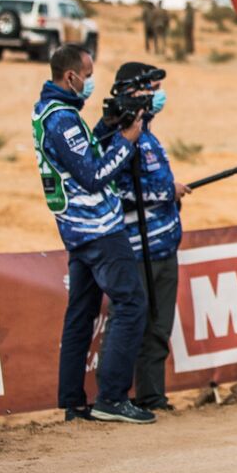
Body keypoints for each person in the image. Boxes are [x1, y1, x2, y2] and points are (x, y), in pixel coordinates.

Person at [31, 43, 154, 424]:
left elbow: (83, 156)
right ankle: (112, 399)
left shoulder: (53, 111)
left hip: (77, 232)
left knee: (81, 314)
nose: (90, 82)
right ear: (70, 77)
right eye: (86, 75)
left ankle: (73, 402)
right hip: (98, 230)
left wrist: (107, 128)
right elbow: (93, 175)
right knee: (132, 304)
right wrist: (127, 141)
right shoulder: (62, 119)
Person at [95, 62, 191, 412]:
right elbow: (116, 187)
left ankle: (152, 396)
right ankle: (113, 398)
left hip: (165, 245)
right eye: (149, 88)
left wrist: (170, 191)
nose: (155, 95)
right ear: (130, 92)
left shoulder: (147, 134)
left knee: (159, 327)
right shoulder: (117, 135)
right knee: (131, 322)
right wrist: (168, 190)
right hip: (137, 249)